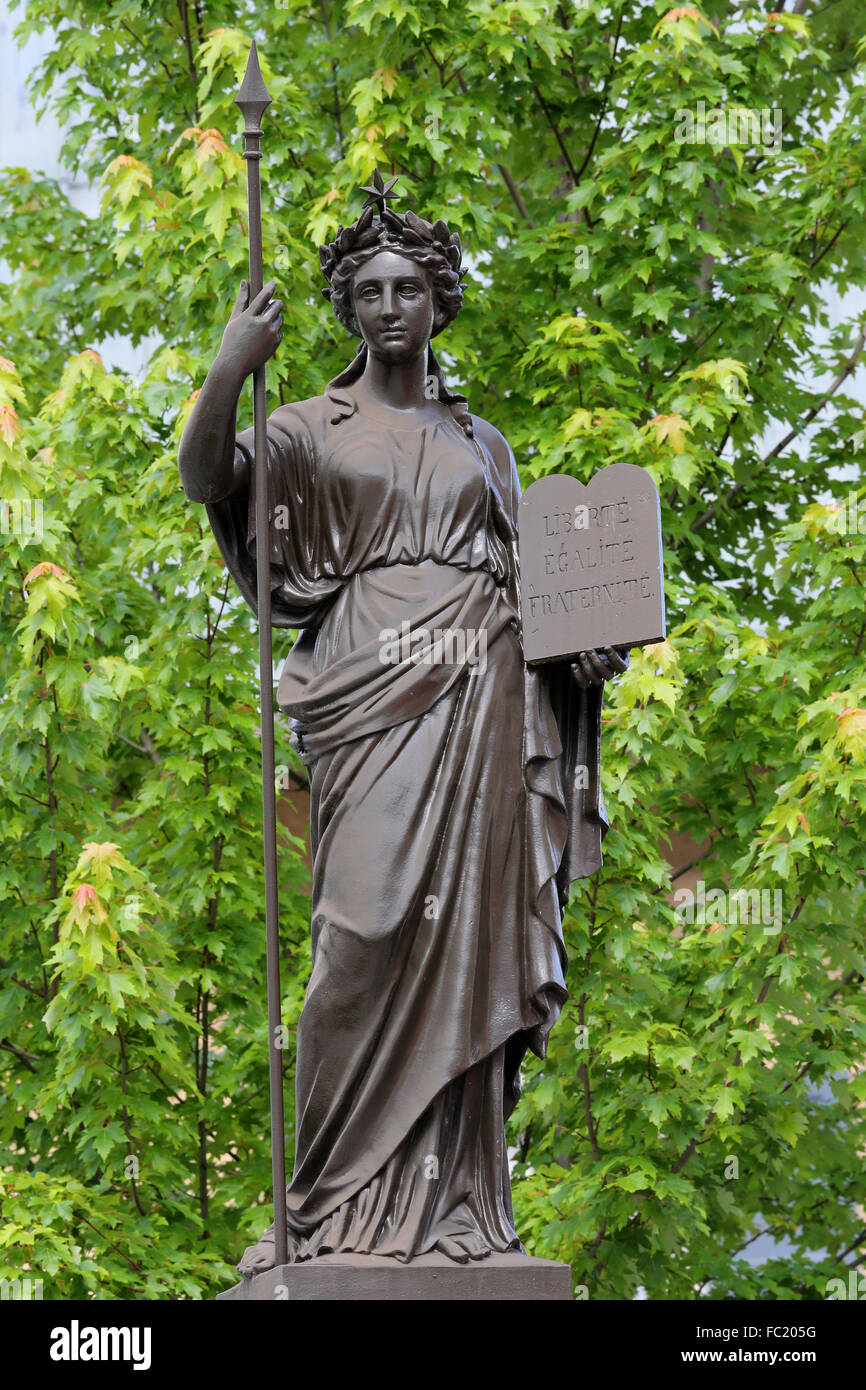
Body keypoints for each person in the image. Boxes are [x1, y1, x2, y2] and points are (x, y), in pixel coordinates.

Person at [178, 171, 628, 1275]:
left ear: (437, 301)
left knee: (465, 941)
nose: (387, 305)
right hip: (370, 697)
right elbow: (206, 478)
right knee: (358, 937)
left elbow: (541, 586)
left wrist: (584, 654)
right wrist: (228, 369)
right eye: (367, 290)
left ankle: (455, 1208)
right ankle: (322, 1210)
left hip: (482, 696)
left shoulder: (486, 443)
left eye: (407, 287)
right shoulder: (301, 427)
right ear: (347, 309)